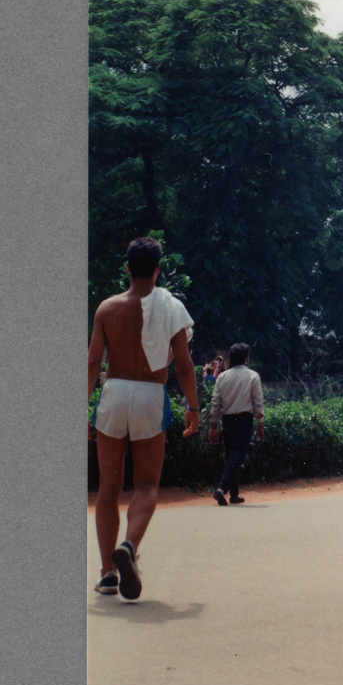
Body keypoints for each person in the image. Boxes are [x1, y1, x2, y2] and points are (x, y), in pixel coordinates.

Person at [87, 236, 199, 599]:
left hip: (114, 393)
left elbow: (92, 363)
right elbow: (183, 365)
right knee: (147, 485)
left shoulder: (107, 309)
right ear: (157, 269)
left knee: (108, 486)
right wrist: (193, 408)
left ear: (126, 267)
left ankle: (107, 573)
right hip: (151, 395)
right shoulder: (171, 308)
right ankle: (130, 546)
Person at [208, 342, 264, 505]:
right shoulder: (253, 376)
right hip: (244, 420)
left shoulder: (223, 377)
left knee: (232, 456)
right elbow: (257, 402)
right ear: (246, 358)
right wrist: (261, 423)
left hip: (227, 420)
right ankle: (221, 490)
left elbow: (215, 403)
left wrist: (213, 426)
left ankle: (234, 494)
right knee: (237, 455)